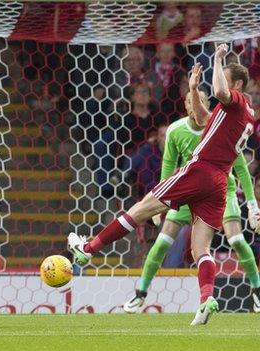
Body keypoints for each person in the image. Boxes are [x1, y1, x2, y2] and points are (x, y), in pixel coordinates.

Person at [68, 45, 258, 325]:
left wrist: (218, 59)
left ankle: (88, 250)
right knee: (200, 250)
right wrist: (193, 89)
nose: (220, 79)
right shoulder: (238, 117)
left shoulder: (237, 101)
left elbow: (220, 92)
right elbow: (206, 119)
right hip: (218, 183)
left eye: (226, 76)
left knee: (141, 208)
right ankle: (207, 299)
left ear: (238, 84)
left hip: (201, 169)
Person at [123, 90, 260, 314]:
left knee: (236, 239)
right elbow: (168, 165)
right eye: (190, 101)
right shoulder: (176, 130)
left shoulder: (219, 126)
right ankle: (140, 294)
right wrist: (159, 204)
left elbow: (241, 168)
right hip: (186, 191)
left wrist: (252, 204)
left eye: (201, 101)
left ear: (206, 105)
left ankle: (257, 290)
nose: (194, 104)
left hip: (221, 190)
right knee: (161, 243)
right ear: (187, 105)